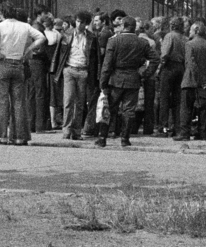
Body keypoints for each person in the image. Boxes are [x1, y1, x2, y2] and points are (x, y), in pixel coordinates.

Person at [0, 2, 45, 145]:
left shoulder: (0, 26)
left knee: (3, 102)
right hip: (18, 63)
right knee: (18, 102)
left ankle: (2, 136)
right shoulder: (25, 26)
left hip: (3, 63)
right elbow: (41, 37)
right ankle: (19, 137)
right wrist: (29, 49)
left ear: (2, 13)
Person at [98, 15, 151, 147]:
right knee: (129, 110)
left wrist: (103, 82)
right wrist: (144, 73)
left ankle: (102, 137)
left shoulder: (114, 41)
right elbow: (155, 59)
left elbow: (107, 64)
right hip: (133, 78)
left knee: (109, 108)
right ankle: (125, 139)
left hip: (116, 78)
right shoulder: (142, 42)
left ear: (123, 26)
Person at [57, 11, 99, 140]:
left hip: (83, 70)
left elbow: (95, 58)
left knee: (80, 103)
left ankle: (76, 131)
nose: (79, 24)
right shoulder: (67, 35)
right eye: (78, 21)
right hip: (70, 68)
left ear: (86, 24)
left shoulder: (92, 37)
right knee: (68, 100)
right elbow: (59, 53)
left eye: (82, 22)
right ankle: (66, 130)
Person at [179, 21, 206, 140]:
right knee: (203, 108)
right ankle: (202, 132)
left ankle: (185, 133)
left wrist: (199, 78)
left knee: (186, 108)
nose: (189, 31)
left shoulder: (190, 44)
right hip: (205, 83)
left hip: (190, 81)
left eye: (191, 29)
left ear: (196, 30)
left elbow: (191, 64)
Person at [156, 15, 186, 136]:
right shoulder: (185, 38)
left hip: (169, 67)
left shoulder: (169, 36)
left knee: (164, 98)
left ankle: (163, 126)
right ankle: (177, 126)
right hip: (181, 67)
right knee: (177, 99)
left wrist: (160, 67)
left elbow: (164, 54)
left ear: (171, 26)